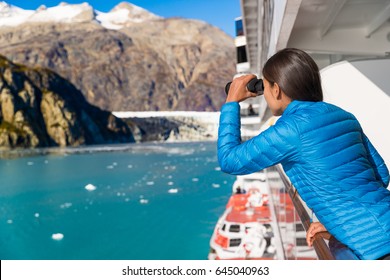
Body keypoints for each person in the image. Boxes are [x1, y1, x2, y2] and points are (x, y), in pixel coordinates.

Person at [218, 48, 390, 260]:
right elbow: (382, 176)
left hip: (371, 249)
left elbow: (229, 160)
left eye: (267, 87)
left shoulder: (289, 130)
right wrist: (334, 222)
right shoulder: (345, 116)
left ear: (277, 89)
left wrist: (231, 103)